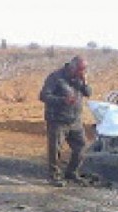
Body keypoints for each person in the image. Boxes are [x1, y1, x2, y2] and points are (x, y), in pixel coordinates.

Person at [39, 56, 93, 187]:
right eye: (80, 70)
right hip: (57, 120)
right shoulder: (56, 77)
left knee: (81, 147)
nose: (82, 72)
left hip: (75, 120)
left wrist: (85, 82)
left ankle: (72, 172)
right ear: (72, 67)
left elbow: (88, 93)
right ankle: (54, 176)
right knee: (55, 149)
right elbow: (43, 96)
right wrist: (63, 100)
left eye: (84, 70)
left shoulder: (80, 79)